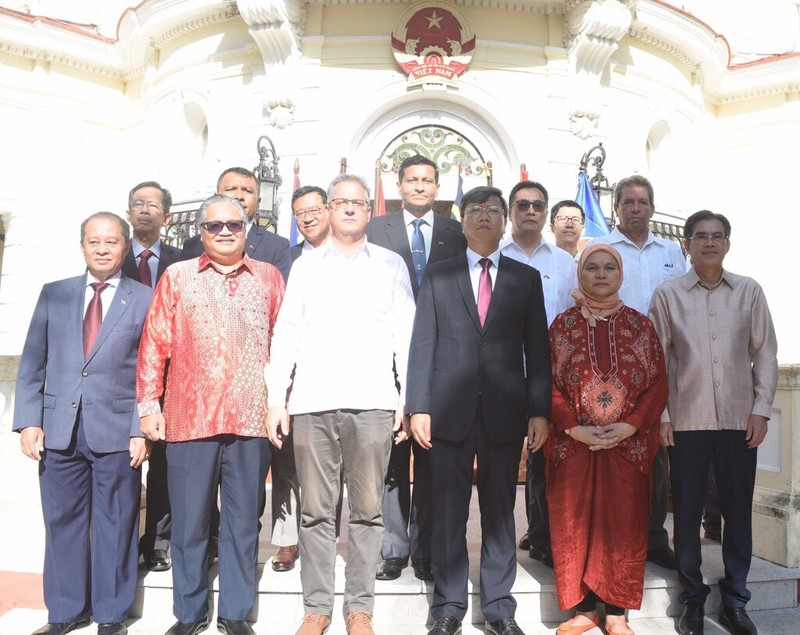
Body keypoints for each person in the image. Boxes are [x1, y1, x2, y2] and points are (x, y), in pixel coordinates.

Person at [266, 174, 415, 635]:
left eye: (358, 202)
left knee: (367, 512)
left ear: (369, 211)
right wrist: (277, 399)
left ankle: (359, 608)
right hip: (313, 402)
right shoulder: (306, 266)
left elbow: (405, 337)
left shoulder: (390, 264)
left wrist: (407, 400)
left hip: (372, 403)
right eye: (341, 202)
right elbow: (287, 332)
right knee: (315, 512)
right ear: (328, 210)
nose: (349, 209)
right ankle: (316, 608)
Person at [137, 195, 285, 635]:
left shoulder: (270, 278)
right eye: (215, 226)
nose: (224, 232)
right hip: (188, 419)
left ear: (247, 229)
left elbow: (286, 346)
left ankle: (236, 614)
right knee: (188, 523)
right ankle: (189, 613)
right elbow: (153, 345)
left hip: (251, 420)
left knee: (242, 524)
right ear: (200, 232)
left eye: (233, 226)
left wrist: (283, 403)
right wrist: (148, 406)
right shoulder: (177, 277)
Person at [407, 186, 551, 635]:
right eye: (475, 210)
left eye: (493, 210)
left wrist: (539, 409)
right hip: (448, 410)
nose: (484, 217)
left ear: (505, 219)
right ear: (462, 219)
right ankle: (448, 605)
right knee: (448, 510)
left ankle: (498, 606)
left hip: (506, 411)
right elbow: (423, 343)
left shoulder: (524, 278)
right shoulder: (439, 274)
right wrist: (418, 406)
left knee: (500, 511)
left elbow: (537, 349)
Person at [14, 212, 153, 635]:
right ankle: (65, 611)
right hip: (58, 430)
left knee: (116, 523)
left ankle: (111, 614)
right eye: (94, 241)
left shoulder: (145, 298)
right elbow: (32, 363)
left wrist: (138, 428)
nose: (103, 249)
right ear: (82, 246)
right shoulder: (53, 294)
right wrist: (28, 423)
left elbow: (150, 371)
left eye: (112, 242)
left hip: (116, 432)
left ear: (125, 247)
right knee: (62, 523)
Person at [649, 211, 778, 635]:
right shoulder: (668, 295)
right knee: (685, 513)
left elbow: (766, 354)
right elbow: (658, 362)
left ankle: (736, 601)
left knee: (737, 512)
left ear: (727, 244)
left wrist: (760, 409)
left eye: (717, 236)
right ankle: (692, 598)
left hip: (740, 420)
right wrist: (663, 415)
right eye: (700, 236)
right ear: (686, 244)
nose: (709, 243)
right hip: (686, 420)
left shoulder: (749, 292)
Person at [546, 243, 668, 635]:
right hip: (573, 445)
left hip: (627, 446)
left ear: (621, 275)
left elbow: (658, 383)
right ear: (579, 275)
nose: (601, 274)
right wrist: (572, 426)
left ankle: (616, 612)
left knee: (625, 524)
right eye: (592, 268)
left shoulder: (640, 325)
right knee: (572, 524)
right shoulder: (562, 326)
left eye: (609, 268)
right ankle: (583, 610)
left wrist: (632, 425)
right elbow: (546, 383)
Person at [365, 154, 467, 582]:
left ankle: (425, 547)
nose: (420, 187)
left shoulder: (455, 232)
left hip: (437, 357)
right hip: (385, 354)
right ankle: (394, 547)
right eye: (412, 180)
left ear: (437, 186)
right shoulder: (376, 229)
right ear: (400, 186)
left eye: (428, 180)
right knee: (391, 457)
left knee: (429, 453)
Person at [589, 174, 686, 570]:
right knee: (610, 454)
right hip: (612, 367)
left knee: (654, 455)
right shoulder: (602, 249)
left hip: (660, 367)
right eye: (627, 202)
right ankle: (608, 537)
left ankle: (653, 537)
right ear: (616, 208)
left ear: (651, 206)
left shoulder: (672, 253)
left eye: (642, 202)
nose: (635, 208)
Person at [501, 180, 575, 569]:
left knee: (545, 461)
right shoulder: (494, 256)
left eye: (538, 206)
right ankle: (499, 540)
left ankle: (541, 536)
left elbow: (572, 320)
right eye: (522, 204)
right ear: (511, 211)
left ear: (545, 214)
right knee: (501, 459)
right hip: (500, 376)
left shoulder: (565, 263)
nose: (530, 211)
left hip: (549, 377)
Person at [268, 185, 333, 575]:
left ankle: (322, 541)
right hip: (292, 376)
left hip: (336, 374)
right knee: (287, 461)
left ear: (329, 210)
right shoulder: (286, 261)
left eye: (314, 209)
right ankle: (287, 541)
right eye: (299, 213)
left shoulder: (352, 254)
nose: (307, 218)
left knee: (331, 467)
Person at [121, 180, 181, 573]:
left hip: (172, 374)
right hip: (121, 376)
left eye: (153, 205)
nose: (145, 210)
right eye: (137, 204)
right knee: (122, 464)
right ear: (128, 213)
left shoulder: (182, 258)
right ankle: (121, 544)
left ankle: (157, 541)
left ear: (167, 217)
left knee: (163, 464)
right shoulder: (111, 254)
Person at [181, 166, 292, 282]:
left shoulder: (276, 246)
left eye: (248, 191)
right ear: (216, 197)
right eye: (231, 189)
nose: (239, 196)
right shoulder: (193, 245)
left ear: (259, 202)